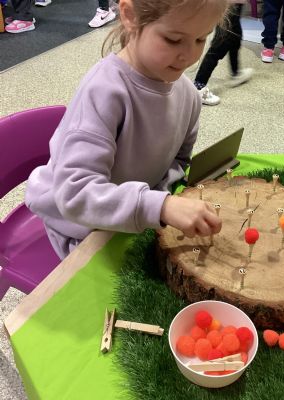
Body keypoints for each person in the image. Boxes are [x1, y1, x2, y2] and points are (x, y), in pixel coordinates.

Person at [25, 0, 226, 259]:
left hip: (135, 215)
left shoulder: (188, 95)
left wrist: (161, 201)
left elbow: (177, 162)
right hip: (78, 229)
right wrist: (160, 206)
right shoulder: (103, 92)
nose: (189, 55)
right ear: (130, 16)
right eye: (173, 39)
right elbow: (75, 194)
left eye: (201, 39)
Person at [193, 1, 253, 106]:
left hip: (234, 6)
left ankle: (236, 73)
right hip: (229, 5)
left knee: (236, 37)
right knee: (220, 45)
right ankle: (198, 87)